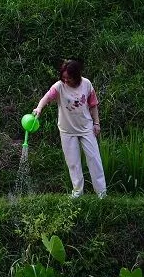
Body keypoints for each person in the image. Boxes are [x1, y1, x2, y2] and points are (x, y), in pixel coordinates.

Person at [33, 59, 107, 199]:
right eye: (64, 78)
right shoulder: (59, 86)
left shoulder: (86, 84)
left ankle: (101, 193)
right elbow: (46, 98)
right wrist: (39, 108)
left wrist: (96, 123)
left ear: (77, 76)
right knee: (73, 163)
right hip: (67, 130)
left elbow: (93, 105)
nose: (66, 80)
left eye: (69, 78)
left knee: (94, 160)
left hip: (86, 128)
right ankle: (78, 192)